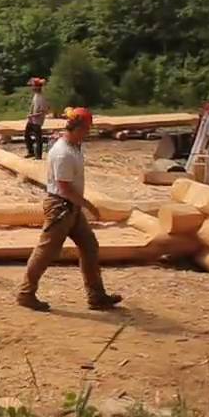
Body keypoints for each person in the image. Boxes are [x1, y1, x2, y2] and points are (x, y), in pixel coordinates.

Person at [17, 107, 123, 312]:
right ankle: (26, 293)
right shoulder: (62, 153)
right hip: (60, 207)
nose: (88, 133)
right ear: (79, 128)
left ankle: (96, 296)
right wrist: (89, 205)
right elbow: (64, 188)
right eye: (87, 129)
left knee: (89, 246)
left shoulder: (74, 146)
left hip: (70, 206)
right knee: (46, 251)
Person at [25, 77, 50, 160]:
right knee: (26, 135)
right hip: (32, 120)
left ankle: (38, 156)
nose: (32, 87)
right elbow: (32, 105)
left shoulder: (42, 98)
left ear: (37, 87)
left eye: (33, 86)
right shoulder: (36, 95)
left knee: (38, 138)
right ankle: (31, 151)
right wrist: (30, 113)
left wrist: (33, 115)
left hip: (37, 121)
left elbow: (43, 112)